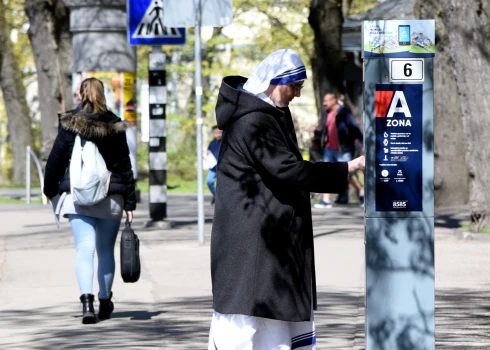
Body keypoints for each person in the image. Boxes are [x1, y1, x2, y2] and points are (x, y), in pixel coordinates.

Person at [208, 49, 365, 349]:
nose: (297, 94)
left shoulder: (265, 114)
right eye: (293, 86)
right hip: (252, 242)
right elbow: (288, 170)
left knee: (270, 324)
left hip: (264, 240)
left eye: (300, 87)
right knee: (246, 326)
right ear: (273, 81)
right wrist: (347, 167)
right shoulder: (253, 120)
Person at [43, 78, 136, 324]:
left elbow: (56, 160)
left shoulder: (69, 123)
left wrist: (49, 189)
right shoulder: (114, 124)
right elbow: (123, 164)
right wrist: (129, 201)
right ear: (103, 94)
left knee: (84, 249)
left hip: (77, 195)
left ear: (80, 93)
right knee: (105, 250)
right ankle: (105, 302)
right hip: (110, 195)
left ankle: (87, 302)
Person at [313, 93, 364, 208]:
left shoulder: (343, 112)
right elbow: (326, 130)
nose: (324, 103)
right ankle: (326, 200)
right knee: (325, 172)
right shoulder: (327, 113)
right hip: (329, 148)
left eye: (326, 101)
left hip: (343, 148)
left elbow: (353, 127)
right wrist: (316, 132)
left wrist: (362, 142)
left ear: (333, 100)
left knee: (347, 174)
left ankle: (361, 191)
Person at [206, 125, 222, 204]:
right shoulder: (211, 143)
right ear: (213, 133)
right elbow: (208, 152)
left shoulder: (224, 141)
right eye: (216, 133)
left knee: (221, 184)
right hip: (213, 167)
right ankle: (215, 194)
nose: (218, 134)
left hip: (222, 166)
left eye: (219, 133)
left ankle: (218, 198)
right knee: (209, 181)